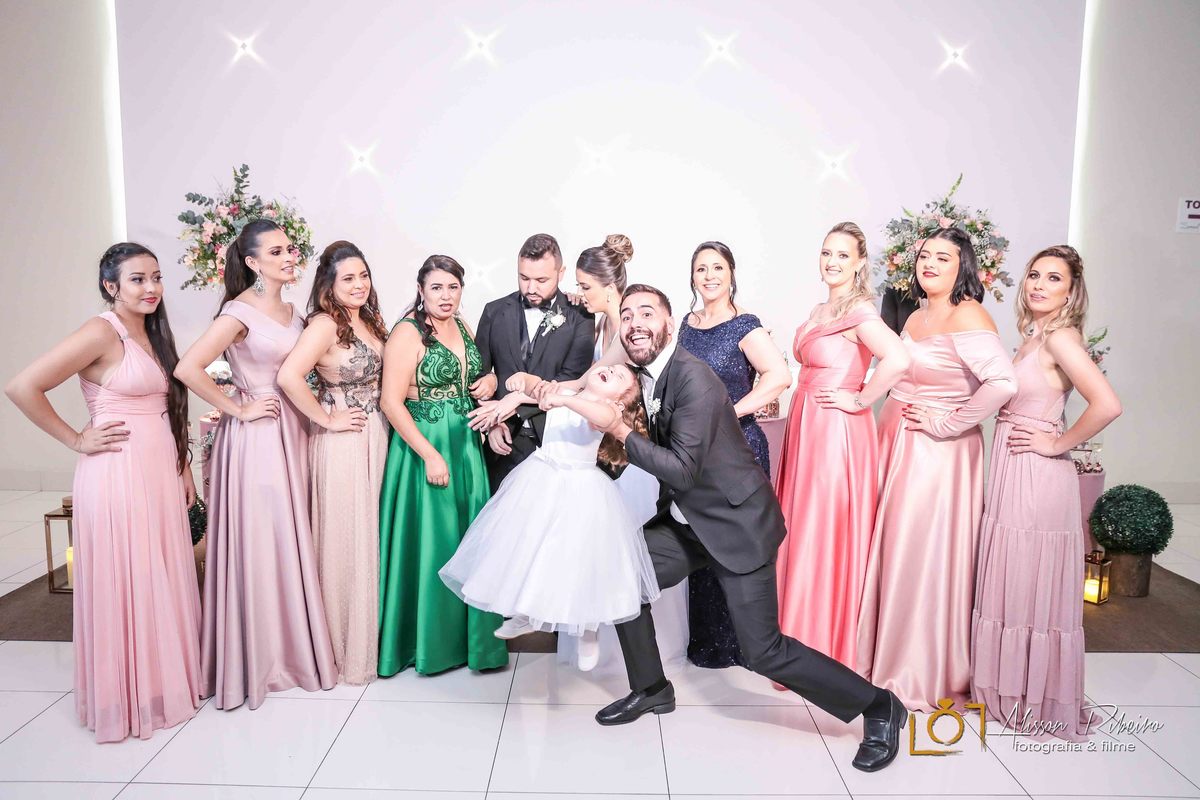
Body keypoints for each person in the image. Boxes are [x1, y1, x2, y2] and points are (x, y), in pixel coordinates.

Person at [596, 284, 906, 774]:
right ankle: (652, 688)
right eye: (628, 314)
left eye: (647, 313)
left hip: (737, 526)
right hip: (690, 522)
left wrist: (618, 429)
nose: (635, 322)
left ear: (669, 324)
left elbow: (681, 470)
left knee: (764, 652)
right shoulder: (645, 374)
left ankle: (879, 706)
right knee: (622, 577)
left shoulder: (693, 378)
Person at [6, 243, 201, 742]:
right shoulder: (101, 331)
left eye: (156, 277)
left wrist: (183, 466)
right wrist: (76, 438)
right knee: (129, 574)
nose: (151, 287)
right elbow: (22, 386)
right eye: (137, 279)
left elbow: (168, 408)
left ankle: (161, 683)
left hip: (159, 469)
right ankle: (125, 696)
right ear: (111, 286)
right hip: (118, 472)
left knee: (158, 572)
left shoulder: (154, 332)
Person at [175, 219, 337, 710]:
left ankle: (293, 650)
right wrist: (239, 408)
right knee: (264, 539)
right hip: (259, 436)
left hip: (294, 428)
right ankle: (263, 659)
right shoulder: (237, 312)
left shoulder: (292, 310)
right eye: (277, 252)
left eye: (290, 249)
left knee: (292, 535)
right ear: (251, 263)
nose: (289, 257)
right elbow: (187, 368)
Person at [856, 227, 1018, 712]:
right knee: (894, 546)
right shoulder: (919, 313)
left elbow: (1002, 382)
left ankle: (918, 667)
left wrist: (948, 423)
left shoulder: (969, 313)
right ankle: (884, 653)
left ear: (962, 266)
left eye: (942, 257)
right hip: (898, 440)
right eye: (924, 255)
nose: (929, 263)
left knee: (919, 551)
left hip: (936, 453)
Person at [971, 245, 1121, 740]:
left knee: (1027, 579)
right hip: (1013, 469)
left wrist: (1056, 443)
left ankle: (1031, 696)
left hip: (1038, 476)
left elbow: (1107, 404)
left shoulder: (1061, 338)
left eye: (1054, 278)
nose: (1039, 284)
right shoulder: (1032, 337)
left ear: (1071, 292)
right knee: (1014, 577)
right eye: (1034, 275)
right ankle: (1007, 688)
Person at [441, 365, 658, 671]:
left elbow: (596, 416)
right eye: (609, 367)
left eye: (619, 377)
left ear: (619, 401)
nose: (609, 370)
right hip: (541, 477)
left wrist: (562, 398)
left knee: (579, 562)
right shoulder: (564, 391)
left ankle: (588, 629)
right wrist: (522, 385)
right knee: (529, 548)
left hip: (580, 489)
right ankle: (525, 611)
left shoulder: (607, 411)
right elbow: (537, 390)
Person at [775, 223, 910, 669]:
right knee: (801, 522)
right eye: (826, 253)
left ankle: (822, 643)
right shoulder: (821, 308)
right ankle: (794, 636)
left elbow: (899, 359)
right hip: (806, 423)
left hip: (835, 430)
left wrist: (861, 399)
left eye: (842, 255)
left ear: (859, 263)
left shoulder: (860, 311)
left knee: (823, 525)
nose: (832, 262)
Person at [377, 255, 508, 676]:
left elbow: (472, 380)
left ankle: (473, 644)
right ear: (421, 290)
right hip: (426, 445)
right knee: (435, 543)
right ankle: (431, 646)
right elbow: (391, 402)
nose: (446, 296)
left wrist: (489, 381)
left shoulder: (462, 326)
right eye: (437, 287)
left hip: (465, 445)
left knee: (468, 542)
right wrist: (430, 455)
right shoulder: (407, 332)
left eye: (453, 287)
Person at [277, 240, 389, 685]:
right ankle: (345, 649)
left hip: (377, 434)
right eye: (348, 278)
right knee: (348, 540)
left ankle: (375, 640)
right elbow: (289, 376)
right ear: (329, 283)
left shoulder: (369, 320)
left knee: (371, 536)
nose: (359, 285)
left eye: (364, 276)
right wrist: (327, 418)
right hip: (343, 442)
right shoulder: (324, 324)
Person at [677, 241, 790, 668]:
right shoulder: (685, 325)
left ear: (731, 274)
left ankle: (746, 645)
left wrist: (728, 413)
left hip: (738, 448)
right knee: (701, 539)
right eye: (701, 269)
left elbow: (779, 376)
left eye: (717, 268)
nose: (709, 276)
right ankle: (708, 643)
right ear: (692, 277)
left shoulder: (745, 325)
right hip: (695, 452)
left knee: (739, 546)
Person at [471, 233, 594, 490]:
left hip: (555, 443)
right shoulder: (494, 311)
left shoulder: (580, 315)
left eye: (541, 280)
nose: (531, 288)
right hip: (503, 444)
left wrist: (514, 406)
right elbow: (478, 377)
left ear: (561, 273)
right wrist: (492, 425)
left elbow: (571, 381)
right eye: (524, 278)